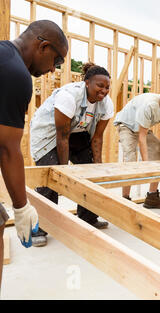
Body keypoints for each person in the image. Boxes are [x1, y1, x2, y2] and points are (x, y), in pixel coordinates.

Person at [0, 20, 68, 288]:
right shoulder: (15, 74)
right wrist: (21, 207)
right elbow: (7, 148)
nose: (53, 69)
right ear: (43, 46)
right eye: (56, 61)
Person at [29, 62, 113, 247]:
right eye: (100, 85)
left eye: (107, 87)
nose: (104, 91)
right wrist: (63, 171)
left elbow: (97, 138)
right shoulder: (68, 97)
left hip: (77, 134)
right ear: (87, 83)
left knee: (89, 174)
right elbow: (62, 138)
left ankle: (88, 217)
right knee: (49, 178)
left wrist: (96, 168)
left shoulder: (106, 104)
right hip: (49, 135)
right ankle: (38, 228)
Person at [113, 80, 160, 208]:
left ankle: (152, 198)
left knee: (159, 156)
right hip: (127, 126)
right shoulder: (150, 105)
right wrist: (147, 164)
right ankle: (125, 200)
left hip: (143, 129)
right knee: (130, 160)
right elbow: (141, 137)